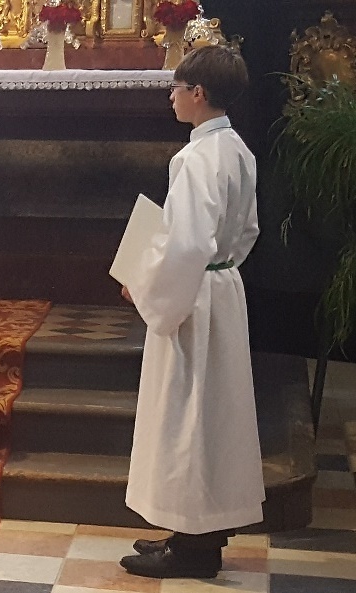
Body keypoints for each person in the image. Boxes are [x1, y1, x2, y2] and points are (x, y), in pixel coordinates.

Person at [118, 45, 263, 579]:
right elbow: (246, 231)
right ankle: (193, 531)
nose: (171, 97)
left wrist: (143, 284)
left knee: (188, 416)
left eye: (176, 88)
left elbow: (185, 243)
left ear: (197, 93)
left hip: (194, 299)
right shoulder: (237, 149)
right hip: (219, 290)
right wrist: (220, 271)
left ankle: (194, 551)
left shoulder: (195, 158)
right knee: (212, 417)